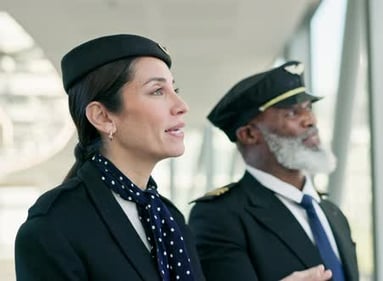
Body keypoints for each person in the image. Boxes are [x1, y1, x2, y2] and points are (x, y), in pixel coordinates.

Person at [15, 34, 205, 281]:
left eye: (174, 89)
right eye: (158, 91)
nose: (181, 105)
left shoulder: (170, 218)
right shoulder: (55, 226)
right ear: (103, 117)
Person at [188, 61, 359, 281]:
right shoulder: (220, 216)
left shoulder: (331, 213)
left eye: (308, 107)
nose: (310, 120)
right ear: (249, 134)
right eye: (291, 113)